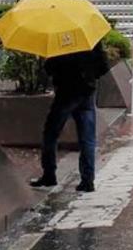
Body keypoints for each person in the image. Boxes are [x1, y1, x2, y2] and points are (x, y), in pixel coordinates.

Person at [30, 41, 110, 193]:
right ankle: (87, 181)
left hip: (66, 93)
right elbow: (104, 66)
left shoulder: (59, 38)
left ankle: (49, 175)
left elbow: (49, 68)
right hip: (87, 91)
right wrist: (89, 76)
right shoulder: (89, 38)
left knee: (51, 133)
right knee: (87, 138)